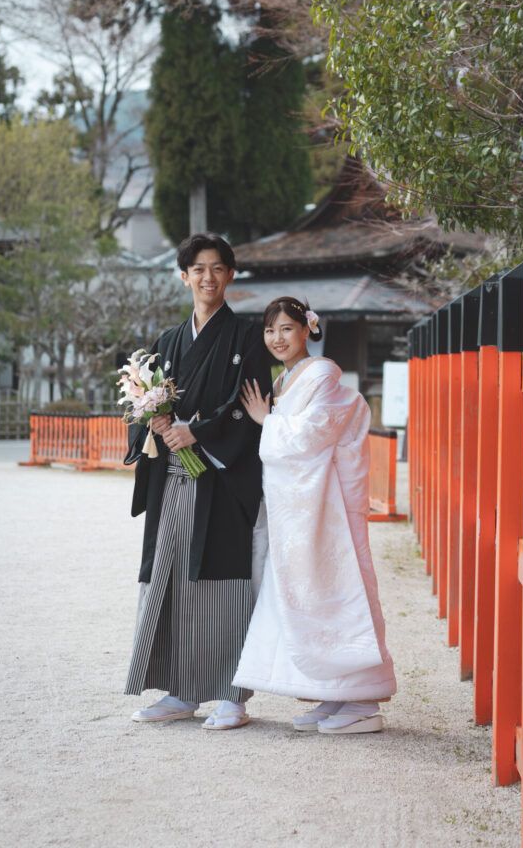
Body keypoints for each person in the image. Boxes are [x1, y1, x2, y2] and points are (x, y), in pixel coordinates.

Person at [123, 233, 272, 730]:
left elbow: (249, 404)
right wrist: (154, 424)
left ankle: (233, 694)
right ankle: (180, 690)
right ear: (183, 276)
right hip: (171, 479)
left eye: (218, 268)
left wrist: (197, 431)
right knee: (171, 578)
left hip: (220, 478)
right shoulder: (167, 341)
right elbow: (147, 408)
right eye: (198, 269)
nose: (208, 277)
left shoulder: (247, 336)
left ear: (230, 275)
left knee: (224, 582)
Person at [234, 296, 397, 734]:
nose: (278, 338)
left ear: (308, 330)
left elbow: (311, 436)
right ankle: (334, 693)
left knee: (339, 591)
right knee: (310, 593)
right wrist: (269, 420)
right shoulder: (287, 378)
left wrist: (267, 421)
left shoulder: (322, 374)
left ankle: (362, 700)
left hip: (329, 509)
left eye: (287, 329)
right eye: (271, 331)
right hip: (303, 507)